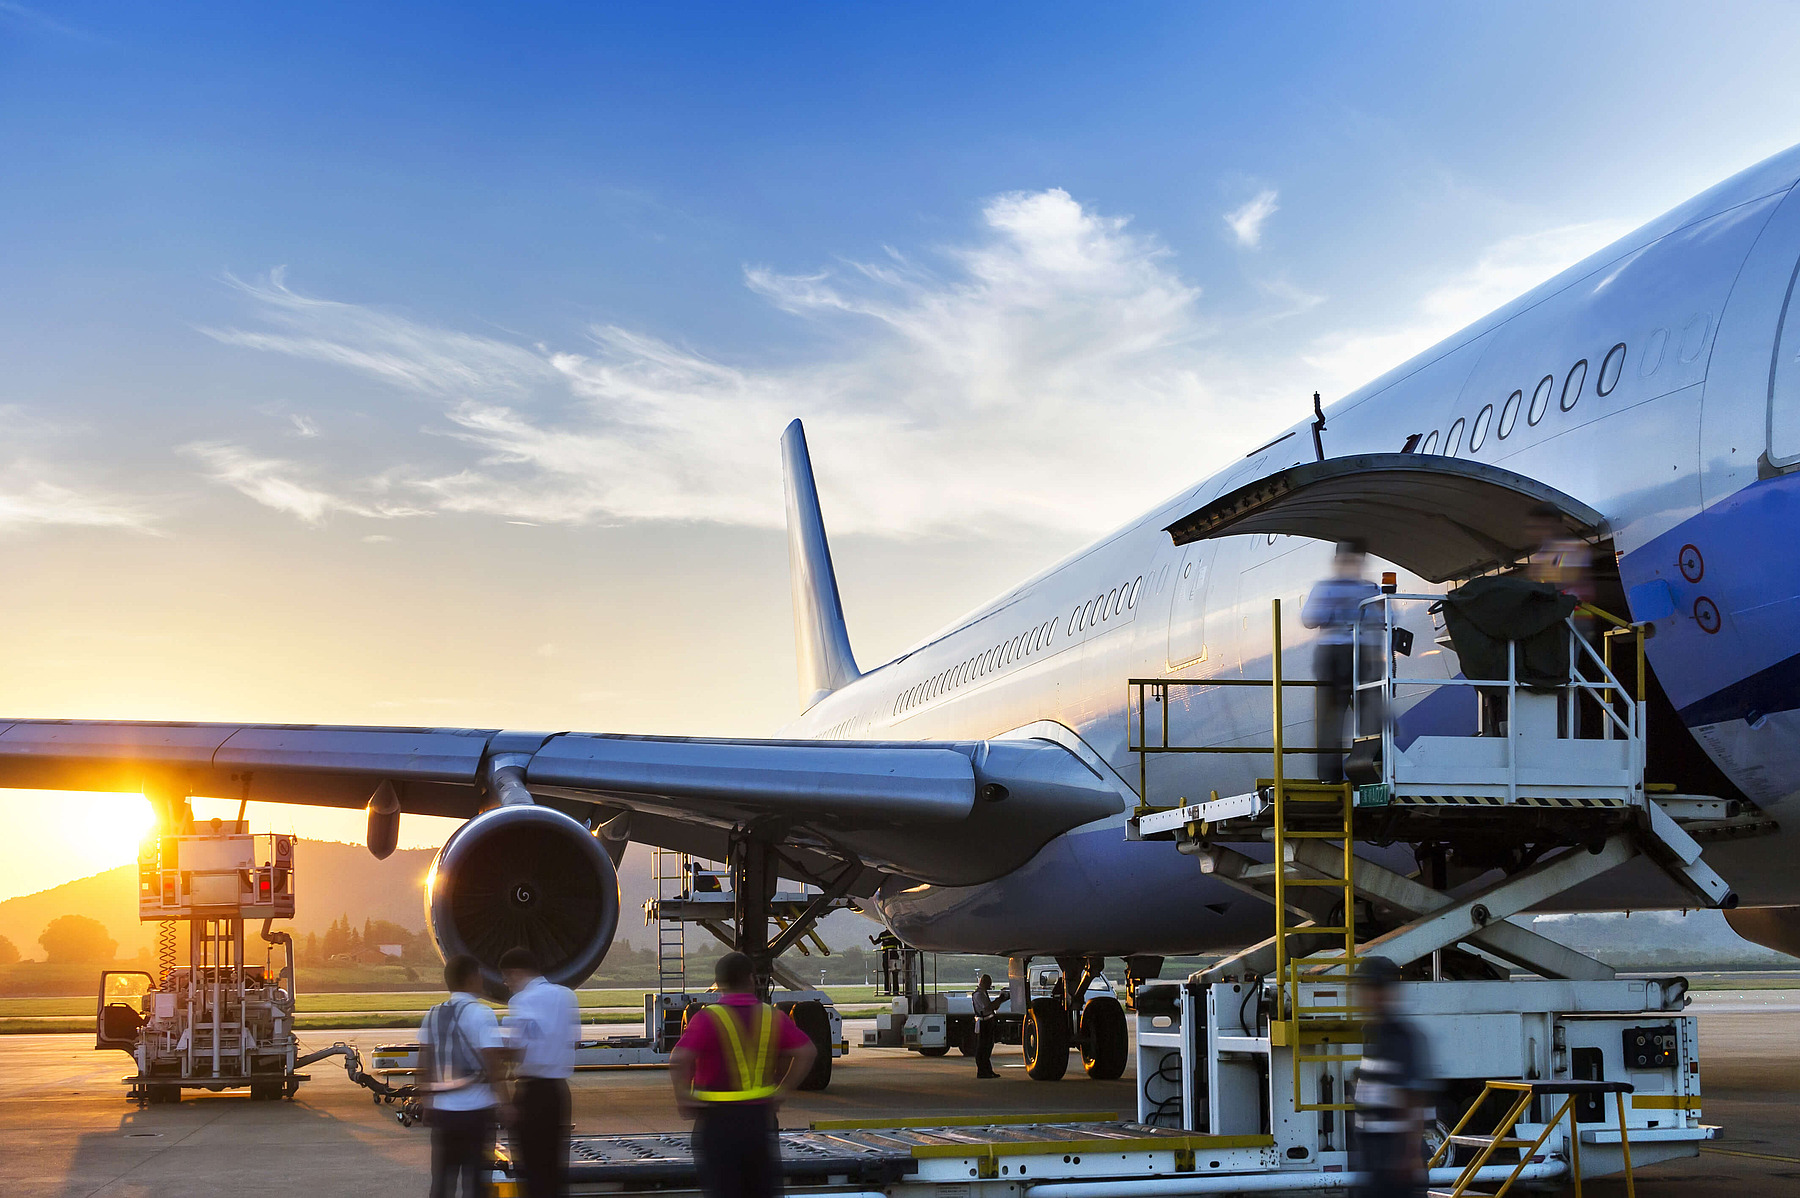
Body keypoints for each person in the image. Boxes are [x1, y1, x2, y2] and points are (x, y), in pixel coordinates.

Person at [670, 952, 818, 1198]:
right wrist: (782, 1089)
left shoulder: (707, 1018)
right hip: (758, 1121)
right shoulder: (772, 1016)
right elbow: (807, 1052)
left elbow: (679, 1058)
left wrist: (683, 1096)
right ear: (752, 979)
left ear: (719, 984)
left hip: (716, 1121)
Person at [418, 953, 509, 1198]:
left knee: (441, 1183)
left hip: (443, 1113)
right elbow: (492, 1064)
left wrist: (427, 1102)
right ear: (470, 978)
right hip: (476, 1113)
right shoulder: (481, 1014)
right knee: (477, 1182)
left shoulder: (433, 1014)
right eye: (479, 975)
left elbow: (424, 1063)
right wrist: (506, 1103)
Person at [500, 946, 580, 1198]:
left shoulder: (521, 1000)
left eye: (506, 977)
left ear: (515, 972)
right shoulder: (566, 996)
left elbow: (518, 1045)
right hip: (558, 1092)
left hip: (531, 1092)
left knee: (532, 1171)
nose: (506, 984)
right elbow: (574, 1040)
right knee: (554, 1170)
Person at [1351, 957, 1433, 1198]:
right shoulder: (1374, 1033)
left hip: (1395, 1165)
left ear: (1383, 991)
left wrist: (1409, 1157)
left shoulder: (1401, 1038)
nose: (1361, 996)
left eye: (1366, 989)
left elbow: (1412, 1099)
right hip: (1374, 1161)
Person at [1302, 540, 1381, 782]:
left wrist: (1334, 611)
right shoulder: (1369, 589)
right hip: (1350, 655)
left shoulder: (1329, 589)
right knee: (1347, 717)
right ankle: (1339, 773)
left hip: (1346, 654)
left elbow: (1309, 618)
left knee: (1358, 717)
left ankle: (1358, 771)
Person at [970, 973, 1006, 1079]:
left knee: (987, 1047)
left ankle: (987, 1070)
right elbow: (988, 1007)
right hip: (983, 1022)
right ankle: (982, 1071)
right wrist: (1000, 999)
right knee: (983, 1048)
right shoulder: (979, 994)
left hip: (987, 1021)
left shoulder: (982, 993)